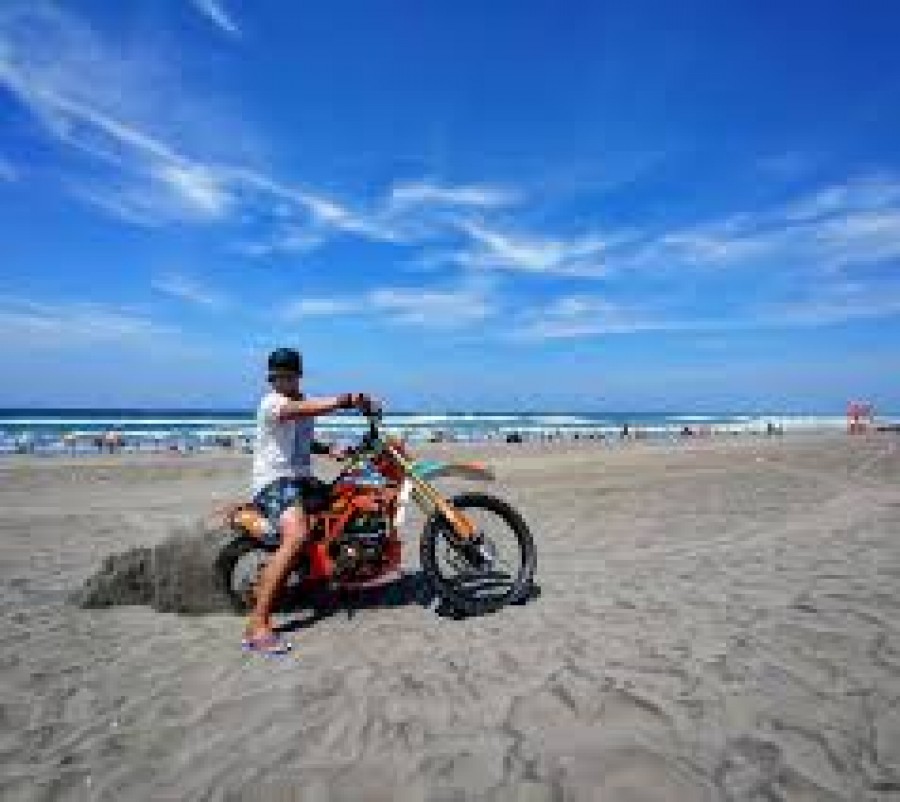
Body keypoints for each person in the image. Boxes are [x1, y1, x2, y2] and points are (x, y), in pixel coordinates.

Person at [242, 347, 378, 655]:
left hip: (301, 479)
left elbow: (301, 437)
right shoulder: (272, 403)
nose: (283, 382)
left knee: (349, 502)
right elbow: (297, 412)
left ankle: (328, 576)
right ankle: (257, 624)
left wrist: (330, 450)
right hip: (275, 482)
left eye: (289, 376)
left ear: (298, 376)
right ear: (271, 379)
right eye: (278, 377)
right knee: (297, 534)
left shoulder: (300, 402)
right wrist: (346, 400)